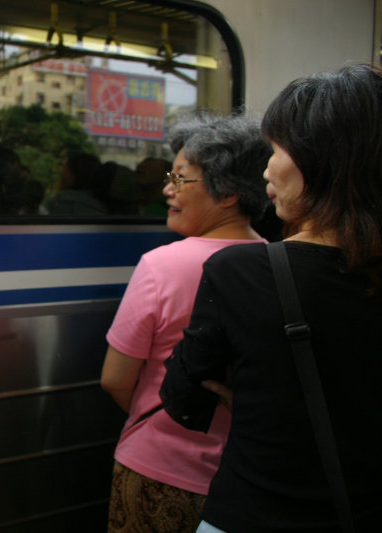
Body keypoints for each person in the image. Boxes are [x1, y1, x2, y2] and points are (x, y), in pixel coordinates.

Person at [162, 64, 382, 532]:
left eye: (277, 150)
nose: (265, 168)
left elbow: (183, 398)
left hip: (253, 511)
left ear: (321, 162)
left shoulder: (241, 270)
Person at [99, 114, 271, 533]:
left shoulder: (160, 266)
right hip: (244, 477)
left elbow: (115, 379)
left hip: (159, 469)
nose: (167, 190)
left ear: (228, 193)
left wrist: (171, 426)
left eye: (179, 178)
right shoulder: (278, 263)